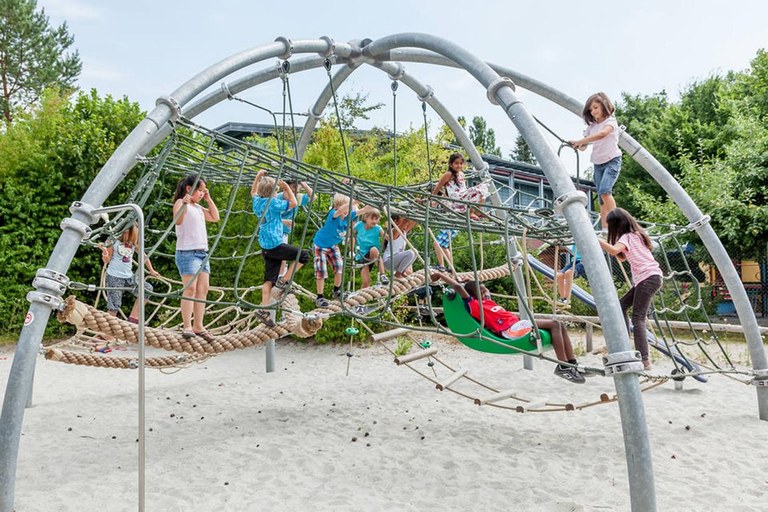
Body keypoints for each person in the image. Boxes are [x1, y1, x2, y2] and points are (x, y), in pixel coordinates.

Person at [432, 271, 586, 383]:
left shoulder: (489, 302)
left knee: (559, 324)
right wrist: (441, 275)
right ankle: (563, 367)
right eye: (483, 292)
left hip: (516, 324)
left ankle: (571, 363)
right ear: (474, 295)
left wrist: (467, 280)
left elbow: (466, 285)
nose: (487, 294)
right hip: (510, 331)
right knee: (554, 324)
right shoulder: (475, 305)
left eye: (486, 290)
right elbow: (459, 288)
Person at [598, 208, 663, 370]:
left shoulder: (627, 237)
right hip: (649, 277)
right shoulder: (638, 235)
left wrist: (595, 239)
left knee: (638, 318)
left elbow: (614, 251)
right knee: (622, 306)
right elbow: (622, 254)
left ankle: (645, 360)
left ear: (617, 225)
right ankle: (624, 343)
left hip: (647, 278)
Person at [251, 170, 311, 326]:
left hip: (265, 246)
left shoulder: (257, 202)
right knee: (303, 256)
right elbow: (293, 203)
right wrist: (287, 188)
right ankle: (284, 281)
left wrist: (258, 177)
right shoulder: (273, 203)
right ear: (273, 192)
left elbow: (253, 192)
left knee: (269, 280)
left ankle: (263, 309)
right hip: (275, 244)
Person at [172, 175, 219, 342]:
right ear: (188, 188)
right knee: (190, 289)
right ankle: (187, 325)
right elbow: (177, 221)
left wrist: (208, 199)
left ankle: (199, 325)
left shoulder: (198, 208)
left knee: (203, 290)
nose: (201, 193)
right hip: (187, 252)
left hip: (202, 253)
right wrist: (184, 203)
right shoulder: (181, 203)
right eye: (199, 190)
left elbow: (215, 217)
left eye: (203, 191)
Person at [569, 92, 622, 230]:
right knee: (601, 198)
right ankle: (605, 229)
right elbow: (584, 147)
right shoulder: (591, 127)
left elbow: (602, 134)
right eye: (591, 110)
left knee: (605, 191)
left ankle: (617, 222)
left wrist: (580, 141)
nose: (593, 112)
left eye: (595, 108)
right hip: (598, 164)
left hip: (612, 161)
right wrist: (578, 145)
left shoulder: (610, 122)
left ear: (604, 106)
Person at [430, 153, 490, 270]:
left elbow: (463, 189)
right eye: (456, 163)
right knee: (439, 244)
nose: (458, 166)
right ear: (451, 164)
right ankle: (443, 266)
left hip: (461, 202)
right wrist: (433, 198)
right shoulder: (448, 174)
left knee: (482, 189)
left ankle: (475, 211)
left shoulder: (461, 175)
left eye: (460, 163)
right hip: (455, 202)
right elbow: (438, 187)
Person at [99, 223, 159, 328]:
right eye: (133, 234)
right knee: (114, 306)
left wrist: (151, 270)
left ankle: (133, 319)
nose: (134, 238)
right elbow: (107, 260)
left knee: (147, 289)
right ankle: (106, 332)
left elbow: (144, 256)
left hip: (129, 277)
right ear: (125, 232)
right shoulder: (113, 241)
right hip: (114, 277)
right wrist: (104, 251)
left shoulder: (132, 243)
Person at [312, 193, 358, 307]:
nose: (347, 210)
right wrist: (356, 201)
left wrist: (373, 204)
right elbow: (342, 209)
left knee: (339, 266)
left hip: (332, 245)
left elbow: (362, 211)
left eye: (349, 208)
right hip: (320, 245)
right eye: (346, 207)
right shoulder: (333, 214)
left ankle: (336, 291)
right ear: (336, 206)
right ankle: (320, 296)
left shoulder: (348, 216)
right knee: (321, 270)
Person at [277, 179, 314, 276]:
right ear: (285, 189)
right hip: (274, 231)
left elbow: (313, 197)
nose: (294, 194)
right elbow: (265, 218)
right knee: (281, 256)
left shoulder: (296, 198)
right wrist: (283, 221)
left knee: (283, 257)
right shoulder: (277, 199)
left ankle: (281, 277)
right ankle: (280, 278)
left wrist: (304, 185)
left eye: (296, 192)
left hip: (284, 232)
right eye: (292, 191)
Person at [354, 206, 388, 288]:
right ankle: (360, 298)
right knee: (366, 282)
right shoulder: (359, 225)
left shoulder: (377, 228)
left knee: (374, 249)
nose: (374, 221)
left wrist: (388, 228)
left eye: (376, 219)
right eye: (372, 219)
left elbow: (387, 238)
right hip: (361, 256)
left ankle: (382, 274)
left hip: (372, 254)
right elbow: (351, 233)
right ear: (365, 218)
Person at [382, 213, 418, 280]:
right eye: (402, 219)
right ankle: (397, 274)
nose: (407, 224)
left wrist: (418, 210)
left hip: (396, 261)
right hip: (389, 261)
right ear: (395, 221)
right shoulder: (394, 231)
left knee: (415, 251)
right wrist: (407, 213)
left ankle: (402, 272)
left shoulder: (404, 231)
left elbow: (414, 221)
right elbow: (405, 222)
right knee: (410, 253)